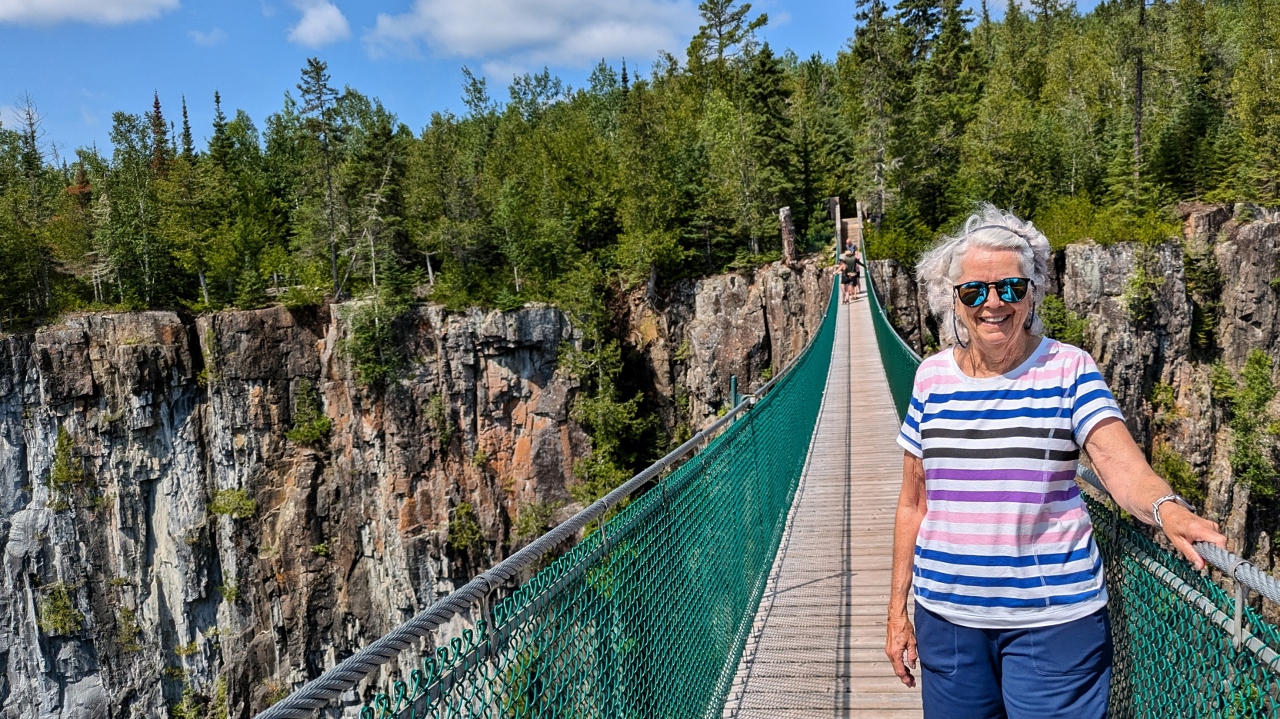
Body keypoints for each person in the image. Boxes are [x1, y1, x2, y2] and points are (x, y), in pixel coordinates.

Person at [883, 205, 1226, 719]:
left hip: (1053, 623)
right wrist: (897, 611)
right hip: (948, 620)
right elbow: (914, 502)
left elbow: (1121, 466)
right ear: (953, 302)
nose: (993, 303)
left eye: (1011, 289)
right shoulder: (930, 379)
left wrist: (1167, 509)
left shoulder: (1069, 369)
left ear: (1033, 292)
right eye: (974, 291)